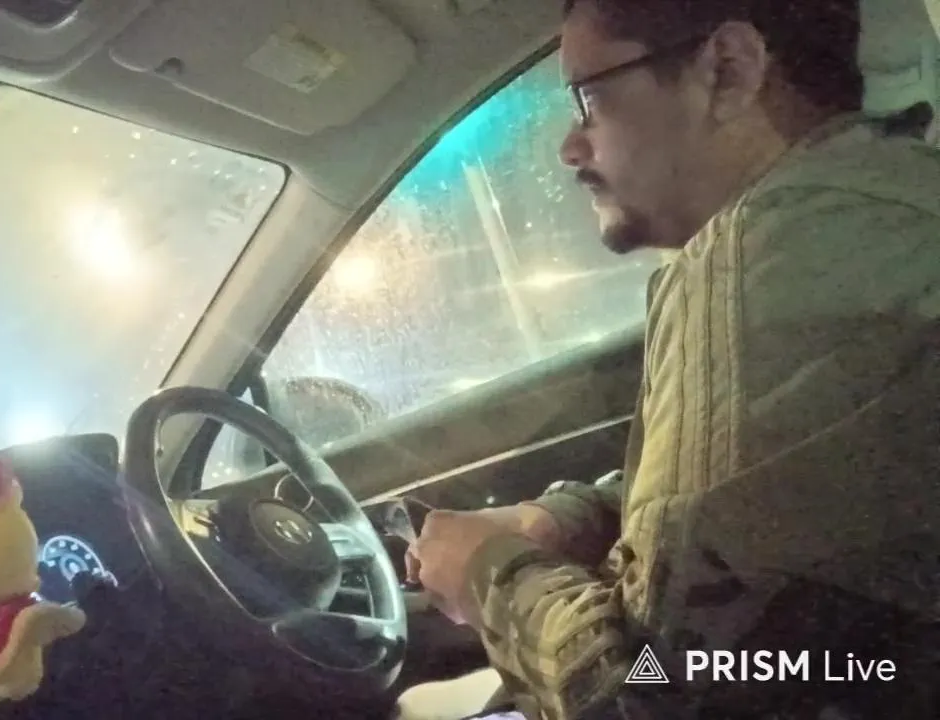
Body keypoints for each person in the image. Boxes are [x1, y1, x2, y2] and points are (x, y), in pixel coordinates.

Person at [397, 0, 940, 718]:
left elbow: (655, 694)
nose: (568, 147)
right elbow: (773, 502)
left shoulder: (764, 263)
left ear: (728, 69)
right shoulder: (885, 207)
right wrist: (564, 520)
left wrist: (485, 576)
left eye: (587, 99)